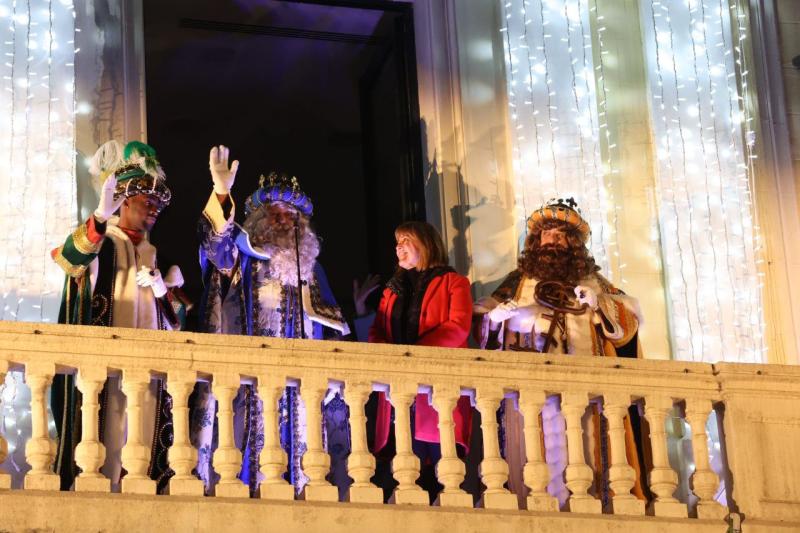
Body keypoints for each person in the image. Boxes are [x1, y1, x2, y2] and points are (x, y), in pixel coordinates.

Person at [193, 145, 350, 496]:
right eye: (274, 214)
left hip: (299, 388)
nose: (282, 220)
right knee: (244, 460)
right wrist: (221, 193)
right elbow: (215, 248)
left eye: (289, 215)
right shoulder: (242, 258)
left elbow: (333, 329)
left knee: (303, 463)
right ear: (259, 221)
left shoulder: (312, 271)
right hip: (248, 383)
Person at [473, 198, 649, 508]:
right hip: (533, 391)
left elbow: (628, 325)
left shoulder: (594, 282)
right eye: (546, 233)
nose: (551, 240)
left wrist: (599, 304)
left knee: (591, 458)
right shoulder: (517, 283)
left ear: (573, 243)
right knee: (536, 460)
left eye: (559, 234)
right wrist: (494, 319)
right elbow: (483, 320)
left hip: (589, 389)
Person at [50, 140, 189, 492]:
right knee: (105, 443)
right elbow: (69, 259)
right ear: (124, 201)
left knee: (143, 446)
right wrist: (99, 216)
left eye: (158, 204)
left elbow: (177, 322)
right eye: (146, 201)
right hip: (107, 372)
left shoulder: (157, 256)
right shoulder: (103, 242)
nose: (154, 209)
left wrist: (162, 290)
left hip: (149, 373)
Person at [366, 221, 474, 503]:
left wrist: (414, 354)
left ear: (426, 244)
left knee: (440, 474)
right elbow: (377, 330)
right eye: (397, 241)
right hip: (400, 389)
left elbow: (458, 327)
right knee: (401, 471)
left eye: (406, 240)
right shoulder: (391, 290)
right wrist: (387, 353)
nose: (398, 247)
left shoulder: (454, 282)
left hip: (438, 387)